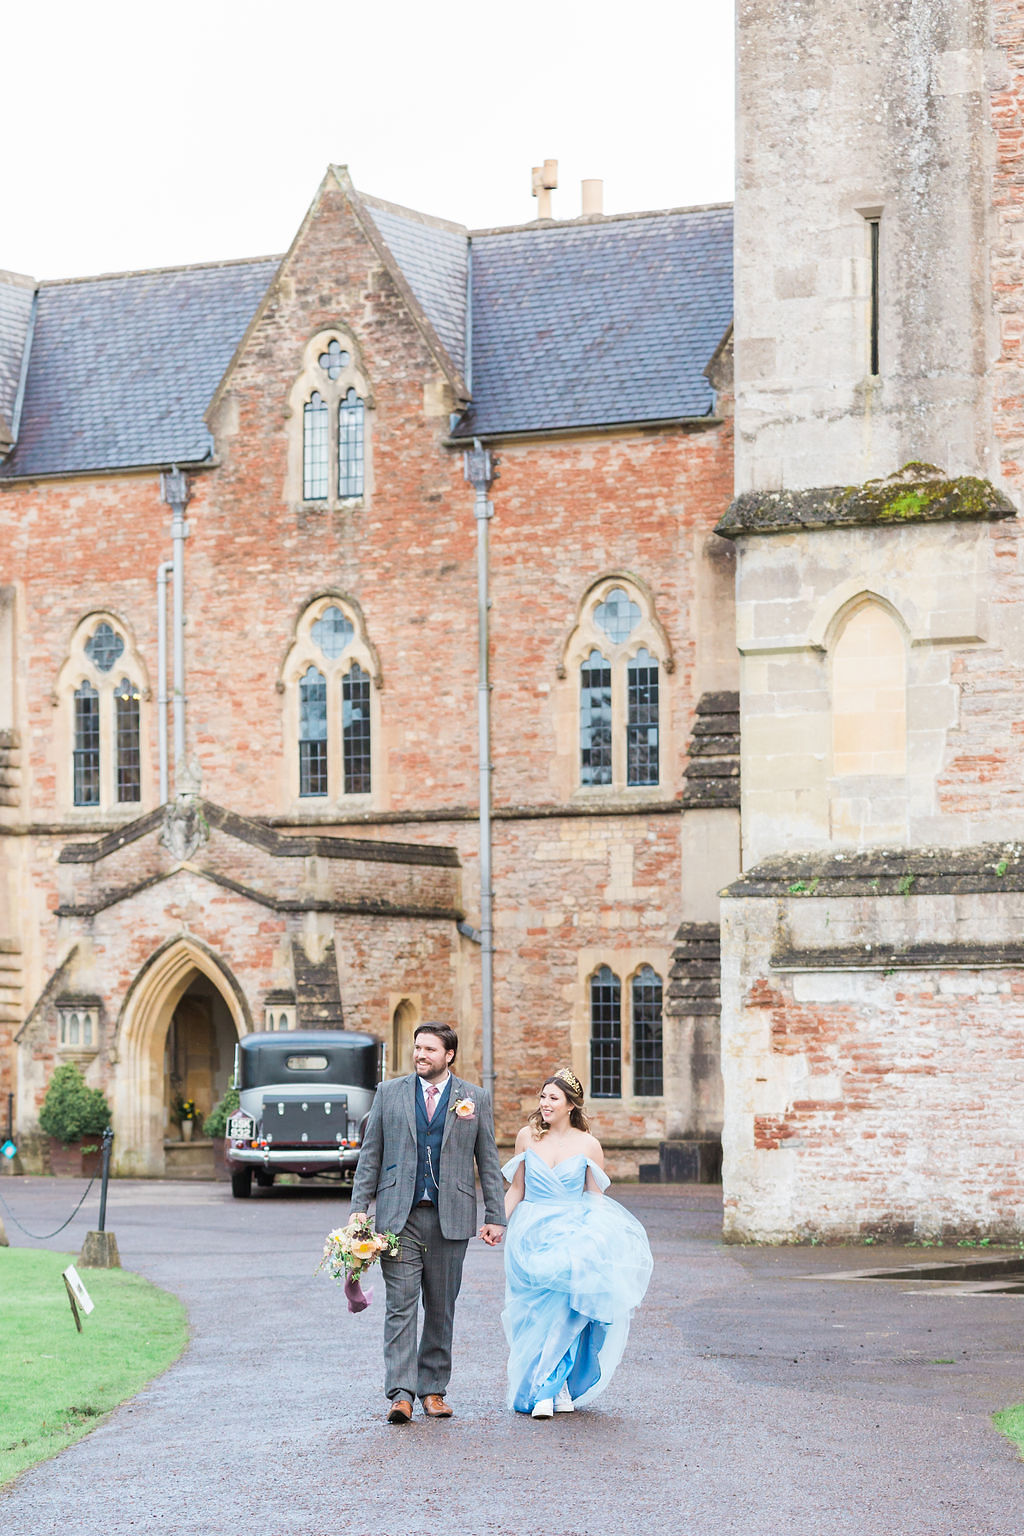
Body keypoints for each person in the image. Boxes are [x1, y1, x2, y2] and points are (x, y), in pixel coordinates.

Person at [349, 1022, 506, 1424]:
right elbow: (370, 1156)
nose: (420, 1055)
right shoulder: (389, 1093)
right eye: (417, 1048)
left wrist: (495, 1215)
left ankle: (434, 1390)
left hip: (450, 1217)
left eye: (430, 1050)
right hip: (398, 1218)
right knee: (400, 1308)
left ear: (448, 1055)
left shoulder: (475, 1098)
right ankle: (401, 1394)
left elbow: (487, 1160)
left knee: (440, 1307)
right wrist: (359, 1207)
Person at [501, 1067, 653, 1418]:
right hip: (530, 1234)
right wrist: (497, 1222)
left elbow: (594, 1196)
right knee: (534, 1314)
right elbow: (517, 1189)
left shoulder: (589, 1145)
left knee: (568, 1310)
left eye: (553, 1098)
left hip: (573, 1231)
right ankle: (560, 1385)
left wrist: (596, 1239)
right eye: (542, 1097)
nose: (545, 1104)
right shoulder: (527, 1137)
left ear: (571, 1105)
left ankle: (545, 1390)